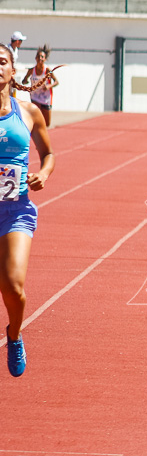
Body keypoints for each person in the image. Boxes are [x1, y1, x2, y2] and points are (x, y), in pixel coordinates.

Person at [0, 43, 55, 378]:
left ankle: (14, 334)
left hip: (15, 210)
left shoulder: (28, 112)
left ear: (11, 69)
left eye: (1, 61)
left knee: (13, 288)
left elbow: (49, 154)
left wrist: (44, 174)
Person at [22, 45, 59, 127]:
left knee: (47, 123)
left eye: (42, 57)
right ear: (35, 58)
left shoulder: (47, 70)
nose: (40, 58)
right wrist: (25, 82)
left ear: (45, 59)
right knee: (36, 115)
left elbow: (56, 82)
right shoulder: (31, 70)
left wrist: (49, 86)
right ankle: (36, 132)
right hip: (35, 96)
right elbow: (24, 80)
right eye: (38, 56)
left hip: (46, 97)